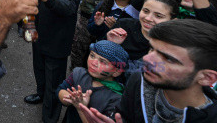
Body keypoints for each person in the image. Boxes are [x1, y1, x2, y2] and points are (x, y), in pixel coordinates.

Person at [79, 19, 217, 123]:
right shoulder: (139, 80)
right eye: (152, 49)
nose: (147, 59)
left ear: (207, 78)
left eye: (168, 58)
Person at [25, 0, 82, 123]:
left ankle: (50, 117)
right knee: (40, 72)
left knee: (54, 82)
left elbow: (68, 8)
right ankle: (40, 95)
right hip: (39, 37)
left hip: (56, 43)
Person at [57, 40, 129, 123]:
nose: (93, 63)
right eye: (92, 55)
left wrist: (81, 108)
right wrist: (71, 98)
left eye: (102, 61)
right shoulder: (79, 73)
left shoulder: (116, 99)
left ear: (116, 72)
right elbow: (60, 90)